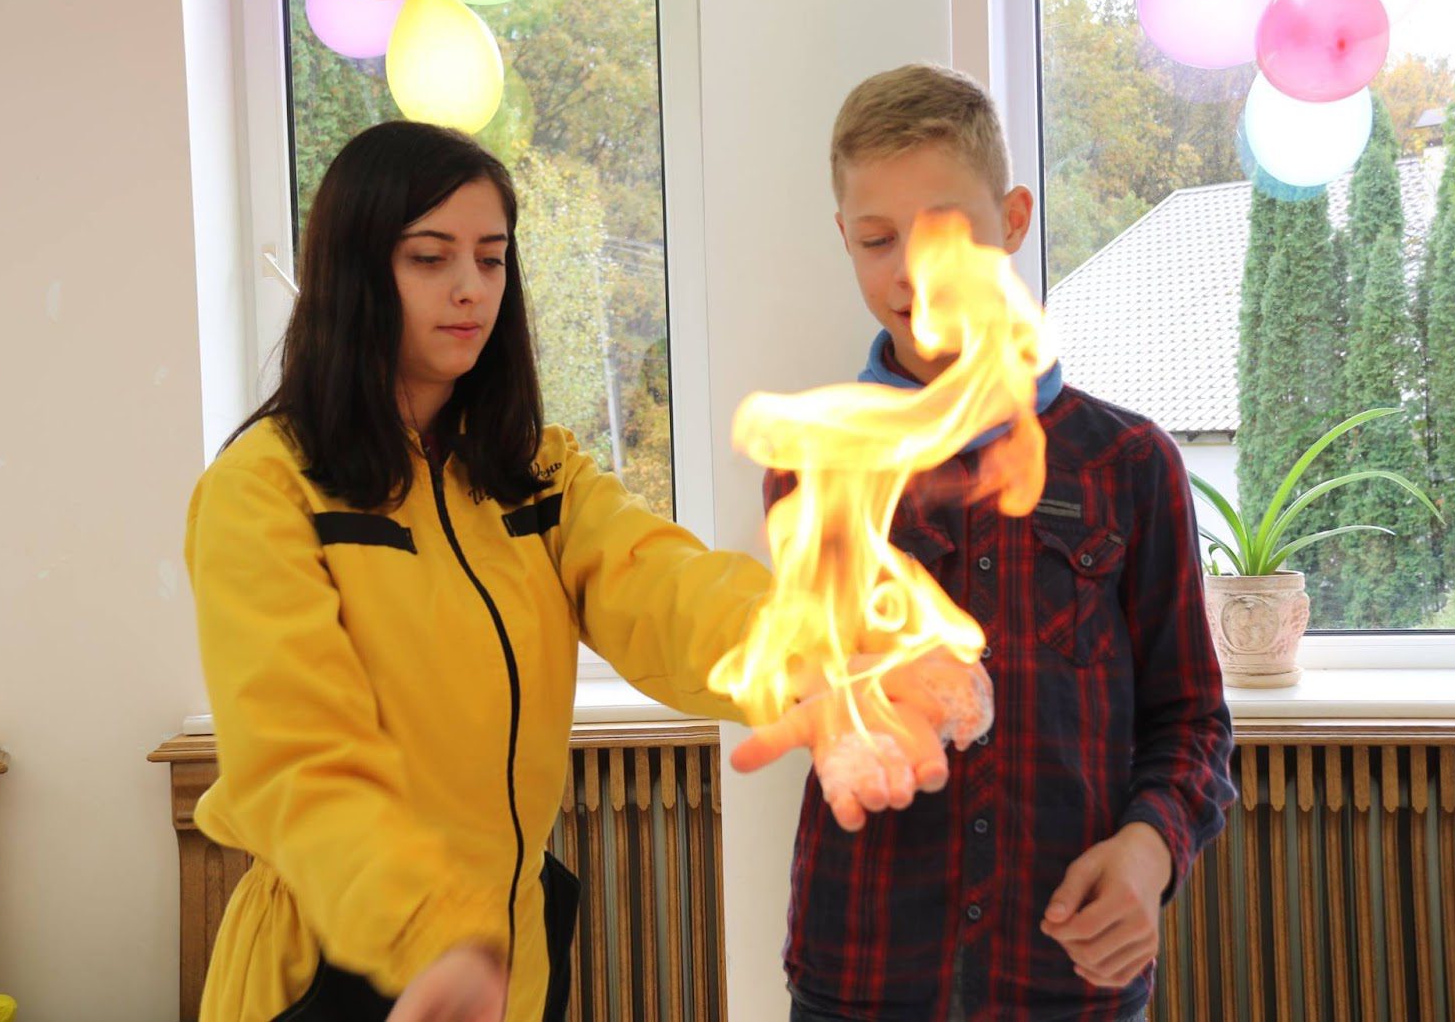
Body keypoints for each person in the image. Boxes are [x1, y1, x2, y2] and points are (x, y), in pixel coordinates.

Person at [184, 120, 956, 1022]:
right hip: (339, 955)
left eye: (492, 258)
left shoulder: (534, 470)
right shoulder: (265, 489)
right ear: (354, 273)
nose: (471, 288)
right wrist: (423, 929)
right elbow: (297, 754)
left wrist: (817, 651)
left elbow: (662, 585)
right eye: (430, 258)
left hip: (502, 954)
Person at [737, 64, 1237, 1021]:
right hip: (864, 976)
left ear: (1012, 221)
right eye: (878, 240)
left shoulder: (1129, 464)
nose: (912, 272)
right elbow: (812, 688)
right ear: (844, 238)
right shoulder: (810, 470)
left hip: (1068, 981)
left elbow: (1191, 721)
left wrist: (1149, 851)